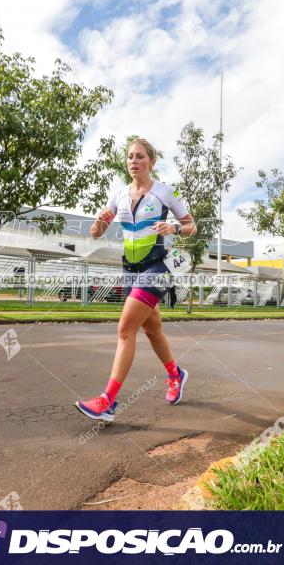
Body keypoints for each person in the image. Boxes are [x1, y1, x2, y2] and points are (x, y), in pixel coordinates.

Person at [75, 138, 196, 423]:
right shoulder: (118, 195)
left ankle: (107, 401)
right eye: (130, 157)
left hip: (158, 267)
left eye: (140, 156)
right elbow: (96, 232)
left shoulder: (167, 192)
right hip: (130, 269)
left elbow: (193, 226)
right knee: (152, 330)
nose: (133, 161)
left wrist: (174, 227)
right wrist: (99, 221)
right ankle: (175, 375)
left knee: (125, 330)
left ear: (151, 161)